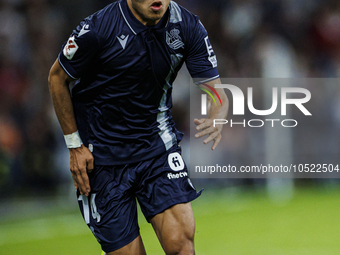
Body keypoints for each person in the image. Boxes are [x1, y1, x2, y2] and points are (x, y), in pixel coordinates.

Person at [48, 0, 228, 254]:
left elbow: (217, 92)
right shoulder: (97, 29)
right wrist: (74, 146)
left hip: (157, 150)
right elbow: (57, 78)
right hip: (102, 161)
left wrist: (216, 116)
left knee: (181, 244)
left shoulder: (187, 26)